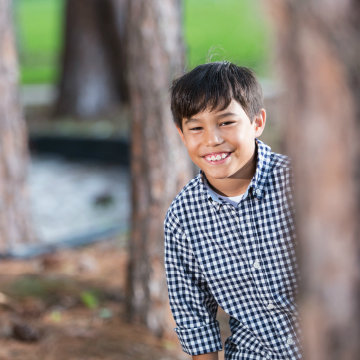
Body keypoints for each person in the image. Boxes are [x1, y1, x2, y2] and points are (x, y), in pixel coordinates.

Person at [164, 62, 301, 360]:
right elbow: (193, 315)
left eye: (226, 122)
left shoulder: (300, 186)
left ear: (257, 122)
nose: (212, 139)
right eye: (196, 127)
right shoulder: (183, 218)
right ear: (181, 134)